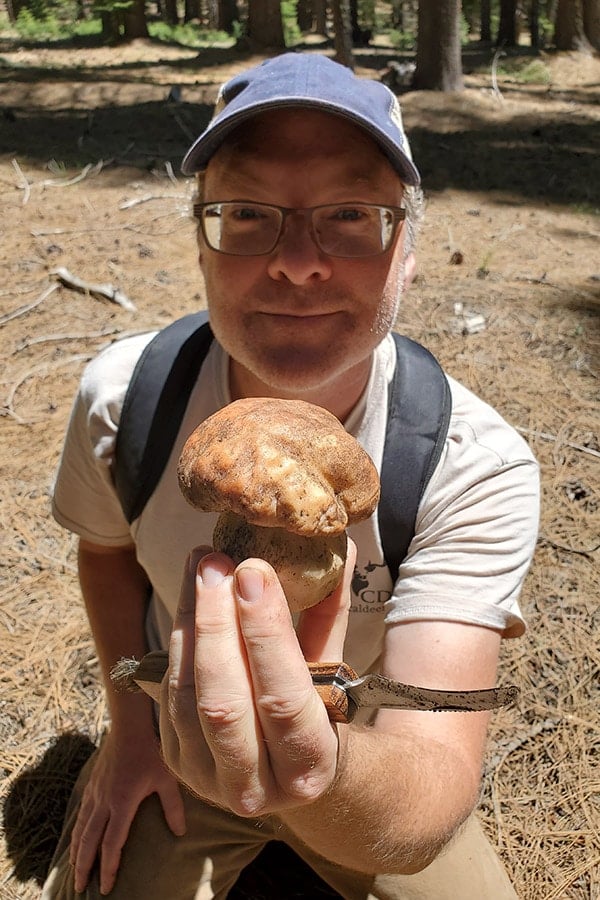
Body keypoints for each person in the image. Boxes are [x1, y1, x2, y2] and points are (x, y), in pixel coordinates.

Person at [42, 52, 539, 900]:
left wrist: (317, 766)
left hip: (368, 748)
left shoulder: (476, 466)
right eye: (245, 212)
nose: (298, 261)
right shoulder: (126, 404)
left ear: (407, 248)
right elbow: (108, 555)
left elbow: (426, 783)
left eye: (351, 213)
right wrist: (128, 733)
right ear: (201, 236)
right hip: (177, 734)